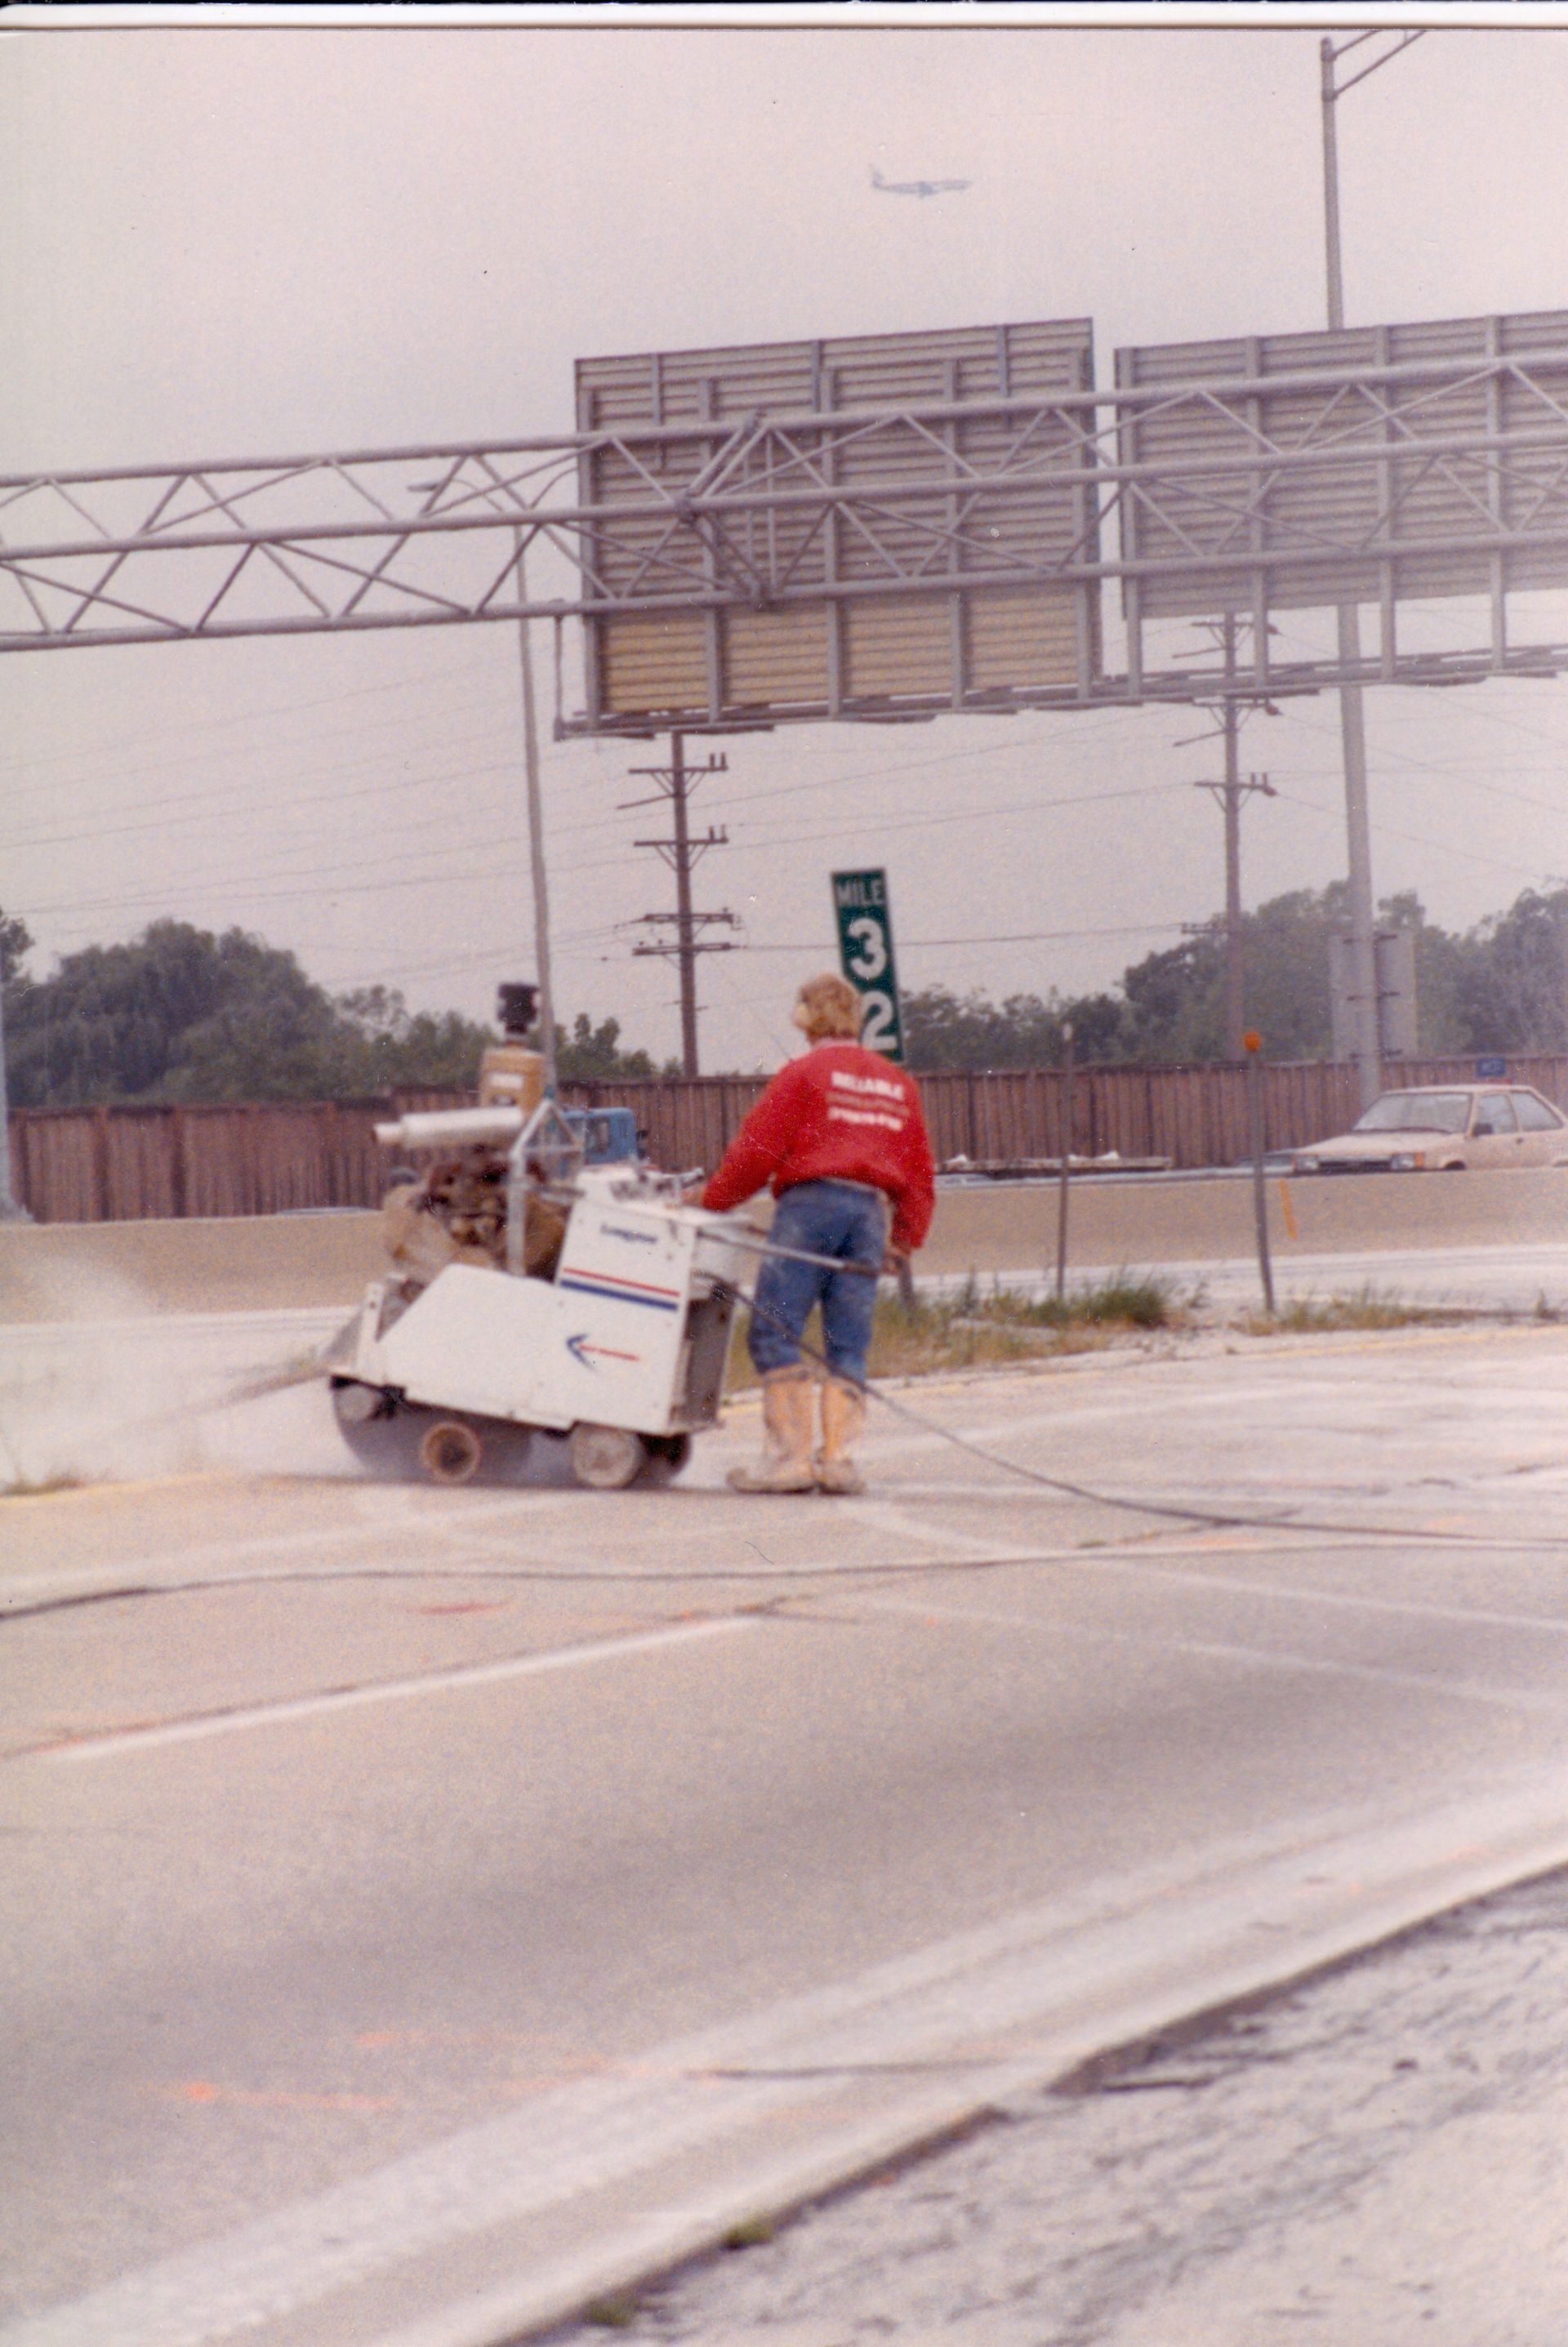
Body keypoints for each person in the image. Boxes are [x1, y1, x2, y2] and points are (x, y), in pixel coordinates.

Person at [699, 972, 936, 1495]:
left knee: (775, 1332)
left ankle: (788, 1460)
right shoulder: (898, 1084)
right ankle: (838, 1460)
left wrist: (711, 1200)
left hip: (810, 1207)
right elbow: (919, 1175)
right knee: (848, 1344)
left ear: (807, 1016)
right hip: (868, 1215)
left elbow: (756, 1155)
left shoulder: (802, 1075)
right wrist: (904, 1239)